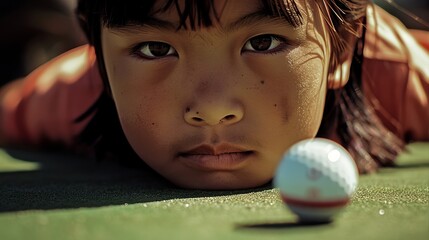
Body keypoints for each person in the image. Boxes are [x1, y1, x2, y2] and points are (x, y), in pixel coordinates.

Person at [0, 0, 428, 190]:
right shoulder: (74, 93)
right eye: (155, 50)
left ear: (342, 47)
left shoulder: (393, 71)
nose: (212, 110)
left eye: (262, 43)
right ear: (103, 62)